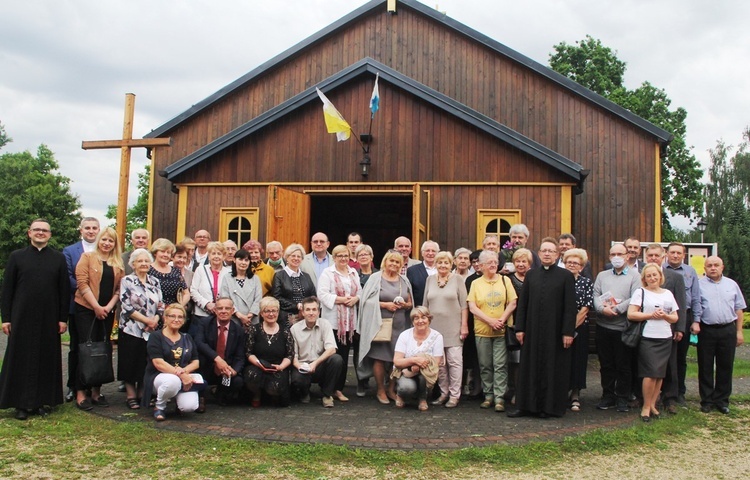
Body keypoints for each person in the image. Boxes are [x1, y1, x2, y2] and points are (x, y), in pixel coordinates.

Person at [0, 219, 69, 420]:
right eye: (36, 230)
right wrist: (6, 318)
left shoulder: (58, 259)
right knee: (20, 357)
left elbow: (63, 290)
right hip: (21, 316)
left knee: (46, 357)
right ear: (29, 233)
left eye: (44, 230)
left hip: (49, 317)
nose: (40, 233)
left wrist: (62, 318)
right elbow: (7, 290)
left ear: (50, 235)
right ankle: (20, 404)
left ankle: (41, 401)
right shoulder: (17, 257)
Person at [509, 238, 576, 418]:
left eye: (550, 251)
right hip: (532, 331)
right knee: (528, 367)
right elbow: (523, 304)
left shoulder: (566, 276)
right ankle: (526, 406)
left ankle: (548, 407)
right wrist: (520, 329)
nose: (547, 253)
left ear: (556, 254)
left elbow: (570, 307)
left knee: (551, 368)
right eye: (544, 250)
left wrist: (568, 332)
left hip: (555, 333)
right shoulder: (531, 275)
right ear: (538, 254)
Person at [73, 227, 125, 410]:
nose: (106, 243)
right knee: (86, 349)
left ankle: (96, 391)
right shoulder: (87, 257)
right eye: (104, 239)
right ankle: (80, 392)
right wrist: (95, 306)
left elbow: (119, 289)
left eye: (110, 241)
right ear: (98, 240)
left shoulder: (117, 263)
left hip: (107, 312)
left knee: (102, 349)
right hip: (86, 310)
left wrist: (108, 307)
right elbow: (82, 283)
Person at [358, 250, 414, 405]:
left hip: (399, 326)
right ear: (385, 261)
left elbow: (410, 303)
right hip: (380, 325)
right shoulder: (375, 279)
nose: (394, 264)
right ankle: (380, 389)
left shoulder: (404, 280)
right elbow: (365, 301)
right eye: (391, 261)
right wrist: (385, 305)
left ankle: (391, 388)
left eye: (397, 262)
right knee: (380, 359)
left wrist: (404, 304)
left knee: (396, 360)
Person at [691, 256, 746, 414]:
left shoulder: (732, 284)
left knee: (725, 365)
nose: (713, 268)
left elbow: (739, 309)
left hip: (727, 329)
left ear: (722, 267)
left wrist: (739, 331)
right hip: (707, 329)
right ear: (705, 268)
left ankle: (722, 400)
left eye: (716, 265)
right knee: (705, 365)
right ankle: (707, 400)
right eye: (709, 265)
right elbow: (695, 307)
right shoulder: (699, 285)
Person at [627, 264, 679, 421]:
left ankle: (653, 405)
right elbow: (631, 314)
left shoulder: (668, 294)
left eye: (655, 275)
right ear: (644, 279)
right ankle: (645, 406)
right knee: (650, 374)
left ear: (660, 276)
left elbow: (675, 317)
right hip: (648, 337)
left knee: (659, 375)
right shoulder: (640, 292)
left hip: (665, 337)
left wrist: (664, 316)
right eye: (648, 276)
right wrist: (650, 315)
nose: (652, 278)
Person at [467, 250, 517, 412]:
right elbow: (472, 307)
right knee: (485, 365)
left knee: (500, 364)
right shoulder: (475, 283)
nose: (493, 265)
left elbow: (513, 302)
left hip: (501, 331)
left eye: (495, 262)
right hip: (482, 330)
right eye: (489, 263)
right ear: (480, 266)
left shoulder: (505, 280)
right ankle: (488, 395)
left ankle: (499, 397)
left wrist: (501, 320)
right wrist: (489, 321)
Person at [593, 243, 641, 412]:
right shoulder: (602, 275)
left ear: (628, 255)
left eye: (620, 253)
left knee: (623, 365)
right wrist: (602, 309)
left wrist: (617, 309)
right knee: (606, 364)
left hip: (623, 328)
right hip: (603, 326)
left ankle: (622, 397)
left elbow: (636, 296)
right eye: (613, 254)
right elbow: (596, 295)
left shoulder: (635, 276)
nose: (616, 257)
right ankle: (608, 395)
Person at [643, 243, 686, 414]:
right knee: (648, 366)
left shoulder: (674, 277)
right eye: (650, 255)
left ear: (663, 257)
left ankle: (670, 398)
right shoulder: (643, 275)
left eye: (656, 255)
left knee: (670, 365)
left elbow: (681, 304)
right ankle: (645, 399)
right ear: (646, 257)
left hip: (669, 328)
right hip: (647, 329)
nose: (653, 258)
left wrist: (680, 328)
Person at [142, 303, 204, 420]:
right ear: (165, 318)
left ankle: (178, 404)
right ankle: (159, 407)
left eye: (180, 317)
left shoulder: (187, 337)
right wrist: (181, 375)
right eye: (172, 316)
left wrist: (184, 371)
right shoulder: (156, 336)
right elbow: (158, 363)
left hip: (182, 376)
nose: (176, 319)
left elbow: (196, 362)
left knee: (189, 407)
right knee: (172, 381)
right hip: (159, 377)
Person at [119, 248, 163, 410]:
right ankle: (130, 396)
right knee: (130, 362)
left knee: (146, 362)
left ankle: (142, 393)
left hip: (151, 330)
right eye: (140, 261)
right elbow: (126, 306)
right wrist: (146, 320)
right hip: (131, 328)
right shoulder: (127, 281)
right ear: (133, 264)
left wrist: (155, 320)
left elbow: (161, 305)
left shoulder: (155, 281)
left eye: (146, 261)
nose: (144, 264)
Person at [62, 216, 100, 402]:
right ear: (81, 230)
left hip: (100, 308)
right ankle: (73, 385)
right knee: (77, 347)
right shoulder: (70, 251)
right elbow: (68, 276)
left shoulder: (105, 251)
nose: (91, 231)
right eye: (87, 228)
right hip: (77, 306)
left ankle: (94, 386)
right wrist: (88, 294)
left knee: (97, 348)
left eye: (94, 228)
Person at [423, 251, 468, 408]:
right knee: (440, 363)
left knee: (455, 362)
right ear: (435, 264)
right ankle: (443, 393)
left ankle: (455, 395)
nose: (443, 265)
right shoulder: (429, 280)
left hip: (454, 327)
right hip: (435, 329)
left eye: (446, 263)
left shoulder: (458, 280)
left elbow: (464, 305)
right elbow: (425, 306)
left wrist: (464, 326)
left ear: (452, 264)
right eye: (440, 262)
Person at [317, 245, 360, 402]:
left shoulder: (353, 272)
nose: (343, 258)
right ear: (334, 257)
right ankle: (327, 387)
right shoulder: (327, 273)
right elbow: (321, 294)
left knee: (343, 353)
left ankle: (338, 389)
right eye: (339, 256)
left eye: (345, 255)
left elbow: (360, 292)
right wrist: (341, 300)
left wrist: (355, 299)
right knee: (333, 356)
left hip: (349, 322)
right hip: (333, 321)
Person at [664, 242, 702, 405]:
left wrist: (696, 321)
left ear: (684, 255)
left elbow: (696, 297)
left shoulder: (690, 271)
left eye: (679, 253)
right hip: (663, 317)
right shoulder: (660, 270)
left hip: (684, 316)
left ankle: (679, 392)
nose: (675, 255)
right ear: (667, 253)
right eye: (672, 252)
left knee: (680, 358)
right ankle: (663, 392)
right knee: (664, 358)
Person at [290, 297, 344, 407]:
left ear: (319, 312)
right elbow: (293, 356)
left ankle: (327, 395)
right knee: (297, 379)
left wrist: (315, 364)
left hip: (319, 365)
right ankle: (304, 393)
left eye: (314, 310)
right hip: (302, 366)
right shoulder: (294, 329)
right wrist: (301, 367)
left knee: (337, 360)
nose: (311, 313)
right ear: (303, 312)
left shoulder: (325, 324)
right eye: (308, 310)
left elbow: (332, 349)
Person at [194, 297, 246, 411]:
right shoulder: (204, 323)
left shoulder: (238, 331)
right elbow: (199, 343)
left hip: (226, 369)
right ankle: (200, 397)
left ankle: (220, 392)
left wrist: (234, 371)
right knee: (200, 359)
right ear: (215, 311)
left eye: (227, 308)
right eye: (220, 308)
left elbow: (240, 356)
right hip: (207, 364)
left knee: (238, 381)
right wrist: (217, 359)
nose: (223, 311)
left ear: (232, 311)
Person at [244, 297, 294, 407]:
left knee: (276, 388)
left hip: (278, 367)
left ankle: (272, 396)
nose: (271, 314)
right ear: (261, 313)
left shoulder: (285, 331)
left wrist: (281, 367)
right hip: (258, 365)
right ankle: (257, 395)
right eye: (267, 311)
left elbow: (290, 355)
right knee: (252, 375)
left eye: (274, 311)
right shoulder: (254, 329)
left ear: (278, 312)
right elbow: (248, 352)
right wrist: (259, 364)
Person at [393, 307, 444, 411]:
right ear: (412, 321)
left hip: (426, 372)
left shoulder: (437, 337)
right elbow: (397, 361)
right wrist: (414, 361)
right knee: (406, 388)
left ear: (429, 320)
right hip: (406, 370)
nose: (420, 321)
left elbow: (436, 362)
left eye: (423, 317)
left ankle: (422, 399)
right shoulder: (404, 335)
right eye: (416, 318)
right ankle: (400, 394)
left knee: (423, 377)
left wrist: (419, 365)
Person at [562, 248, 594, 412]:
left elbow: (585, 309)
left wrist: (571, 328)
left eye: (575, 263)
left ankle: (575, 393)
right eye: (569, 262)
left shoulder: (586, 283)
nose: (572, 265)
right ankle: (561, 392)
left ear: (581, 267)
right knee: (562, 361)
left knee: (577, 360)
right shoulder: (559, 280)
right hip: (559, 328)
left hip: (579, 328)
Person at [505, 247, 533, 404]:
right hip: (513, 323)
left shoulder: (534, 277)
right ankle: (515, 390)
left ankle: (527, 390)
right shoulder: (507, 279)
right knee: (514, 360)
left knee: (528, 360)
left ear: (529, 263)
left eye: (524, 261)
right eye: (518, 261)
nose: (521, 264)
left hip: (531, 324)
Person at [190, 241, 229, 337]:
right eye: (213, 253)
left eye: (219, 254)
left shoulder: (229, 272)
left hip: (221, 315)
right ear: (209, 255)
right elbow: (193, 290)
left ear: (223, 256)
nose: (216, 256)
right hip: (201, 315)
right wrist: (207, 304)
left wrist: (220, 306)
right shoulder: (200, 270)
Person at [271, 243, 316, 327]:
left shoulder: (306, 276)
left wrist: (307, 307)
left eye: (299, 256)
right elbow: (276, 297)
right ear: (287, 258)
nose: (296, 258)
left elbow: (313, 295)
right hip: (287, 318)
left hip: (306, 317)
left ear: (302, 259)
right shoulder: (279, 275)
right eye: (293, 256)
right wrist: (297, 306)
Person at [220, 248, 262, 331]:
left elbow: (258, 299)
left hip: (251, 320)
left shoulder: (255, 279)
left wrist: (250, 315)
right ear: (234, 260)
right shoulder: (227, 278)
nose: (243, 263)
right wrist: (239, 315)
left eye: (246, 260)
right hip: (234, 319)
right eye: (240, 259)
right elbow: (225, 299)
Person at [149, 238, 189, 307]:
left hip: (172, 312)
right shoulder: (148, 270)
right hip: (153, 311)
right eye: (162, 251)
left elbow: (186, 293)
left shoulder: (176, 271)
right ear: (155, 253)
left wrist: (179, 307)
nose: (166, 255)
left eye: (168, 252)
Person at [406, 240, 439, 306]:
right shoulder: (412, 271)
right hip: (420, 312)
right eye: (427, 250)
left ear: (438, 253)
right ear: (422, 253)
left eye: (433, 251)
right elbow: (408, 293)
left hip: (439, 310)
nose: (430, 253)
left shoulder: (444, 271)